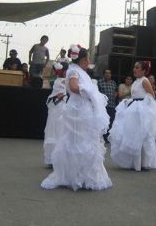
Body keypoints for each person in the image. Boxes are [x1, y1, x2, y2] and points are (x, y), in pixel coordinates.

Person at [41, 44, 112, 191]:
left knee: (86, 139)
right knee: (76, 139)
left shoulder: (82, 71)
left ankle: (84, 175)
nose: (89, 60)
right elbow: (73, 87)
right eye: (87, 58)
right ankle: (74, 176)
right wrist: (90, 92)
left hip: (84, 109)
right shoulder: (73, 70)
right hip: (77, 109)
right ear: (82, 59)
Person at [109, 61, 156, 171]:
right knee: (132, 134)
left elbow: (152, 96)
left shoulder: (145, 81)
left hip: (141, 111)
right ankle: (134, 162)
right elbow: (135, 95)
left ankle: (141, 162)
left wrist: (145, 109)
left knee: (140, 135)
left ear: (144, 71)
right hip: (133, 109)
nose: (134, 69)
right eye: (134, 67)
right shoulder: (136, 82)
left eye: (137, 68)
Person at [43, 61, 68, 167]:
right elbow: (62, 95)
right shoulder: (61, 81)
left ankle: (53, 158)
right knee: (58, 131)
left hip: (58, 108)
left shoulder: (59, 80)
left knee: (55, 131)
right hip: (59, 108)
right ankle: (55, 158)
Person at [97, 69, 118, 141]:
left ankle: (108, 137)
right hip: (103, 106)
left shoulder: (113, 83)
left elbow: (115, 91)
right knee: (103, 121)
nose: (108, 74)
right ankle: (102, 137)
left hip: (112, 105)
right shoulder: (99, 82)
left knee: (111, 121)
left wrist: (115, 94)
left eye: (109, 73)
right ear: (104, 74)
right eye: (106, 73)